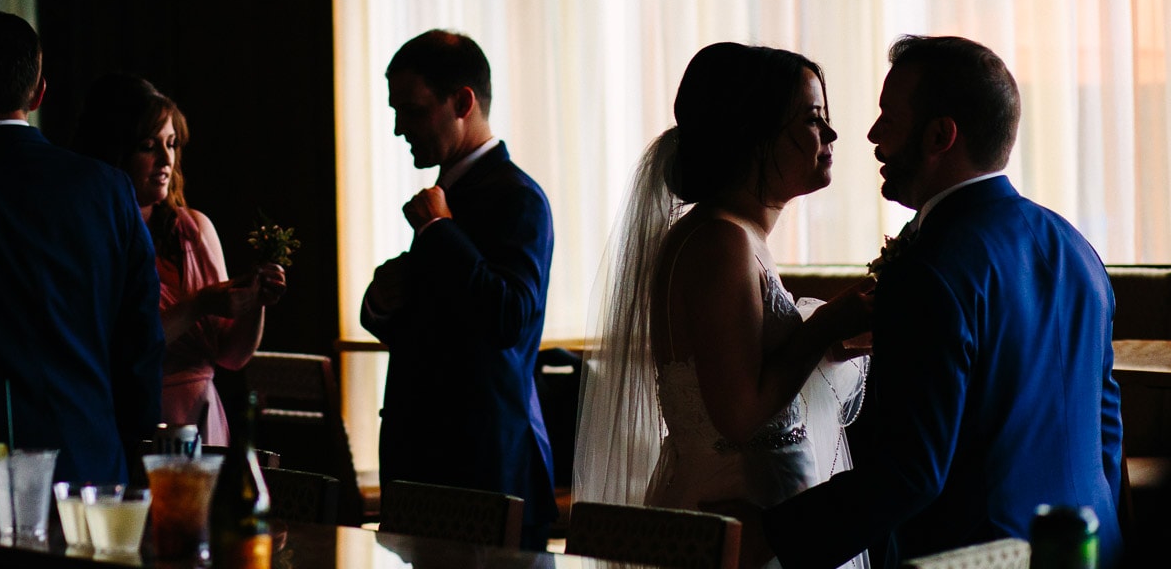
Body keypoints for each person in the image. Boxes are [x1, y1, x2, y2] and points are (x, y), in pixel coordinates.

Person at [763, 37, 1123, 569]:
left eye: (887, 117)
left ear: (939, 135)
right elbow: (1105, 425)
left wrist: (770, 537)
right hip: (1087, 548)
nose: (872, 135)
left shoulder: (929, 269)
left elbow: (911, 473)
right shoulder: (1074, 247)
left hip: (979, 557)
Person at [573, 43, 874, 567]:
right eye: (812, 119)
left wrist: (839, 340)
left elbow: (747, 370)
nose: (831, 135)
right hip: (737, 522)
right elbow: (738, 415)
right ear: (754, 135)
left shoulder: (733, 237)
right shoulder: (720, 242)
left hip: (753, 508)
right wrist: (826, 324)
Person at [0, 12, 162, 484]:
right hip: (91, 463)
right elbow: (140, 339)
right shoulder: (107, 191)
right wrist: (131, 449)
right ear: (39, 94)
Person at [360, 30, 557, 548]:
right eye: (396, 111)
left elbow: (508, 317)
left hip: (485, 470)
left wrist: (438, 232)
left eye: (414, 110)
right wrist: (382, 301)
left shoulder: (520, 199)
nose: (400, 128)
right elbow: (438, 322)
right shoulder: (445, 196)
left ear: (463, 101)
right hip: (422, 464)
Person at [71, 73, 286, 446]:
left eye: (171, 144)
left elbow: (232, 357)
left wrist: (255, 303)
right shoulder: (91, 237)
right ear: (115, 152)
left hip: (202, 419)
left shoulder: (194, 230)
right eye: (148, 146)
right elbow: (118, 352)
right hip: (132, 421)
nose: (166, 159)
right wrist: (200, 304)